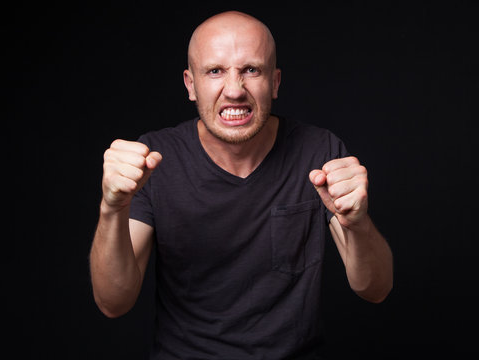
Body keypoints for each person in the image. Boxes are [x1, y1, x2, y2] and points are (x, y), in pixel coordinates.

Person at [90, 10, 393, 359]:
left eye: (252, 70)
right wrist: (112, 208)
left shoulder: (318, 151)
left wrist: (357, 224)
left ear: (275, 82)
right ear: (191, 84)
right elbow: (114, 301)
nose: (234, 90)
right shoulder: (155, 159)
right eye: (215, 71)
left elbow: (376, 290)